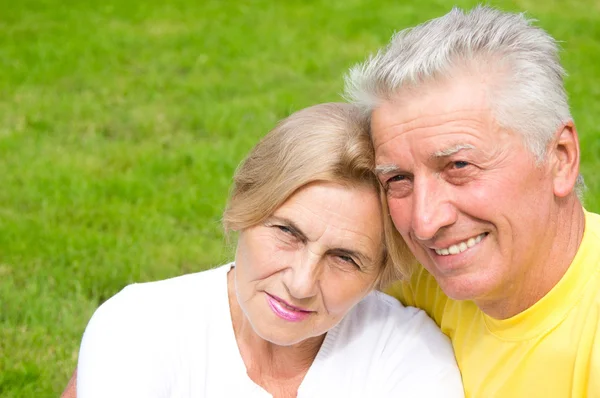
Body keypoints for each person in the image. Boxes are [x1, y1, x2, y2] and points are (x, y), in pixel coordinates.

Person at [70, 103, 464, 398]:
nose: (301, 283)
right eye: (287, 232)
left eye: (345, 258)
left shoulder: (407, 354)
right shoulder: (140, 325)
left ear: (380, 273)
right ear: (244, 207)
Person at [344, 5, 600, 398]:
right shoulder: (410, 282)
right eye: (398, 178)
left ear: (559, 158)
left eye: (459, 165)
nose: (425, 222)